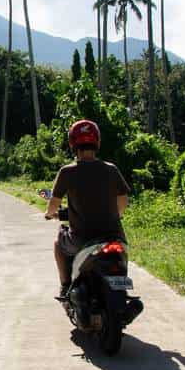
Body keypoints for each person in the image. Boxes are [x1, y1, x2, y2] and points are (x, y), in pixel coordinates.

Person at [44, 119, 131, 298]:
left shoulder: (67, 172)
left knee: (58, 244)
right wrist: (115, 215)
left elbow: (54, 203)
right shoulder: (111, 169)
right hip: (114, 236)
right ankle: (121, 287)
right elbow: (123, 201)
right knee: (120, 255)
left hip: (82, 239)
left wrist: (49, 214)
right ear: (97, 142)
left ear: (72, 144)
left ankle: (65, 286)